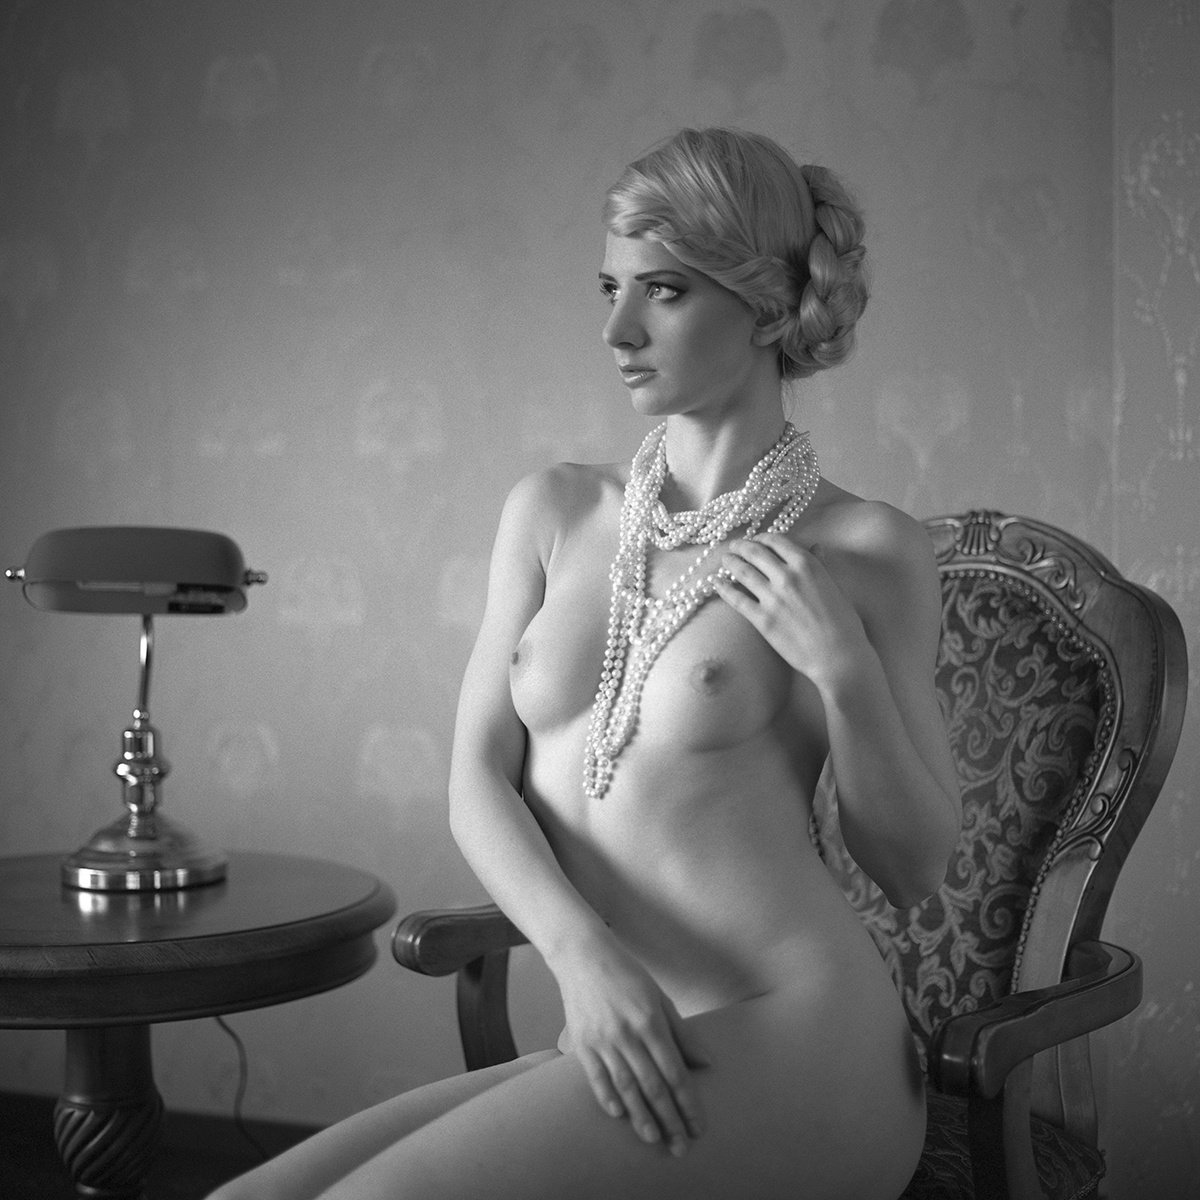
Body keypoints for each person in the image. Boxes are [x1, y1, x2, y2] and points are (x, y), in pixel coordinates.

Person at [208, 127, 961, 1200]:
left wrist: (844, 671)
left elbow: (916, 867)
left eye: (663, 291)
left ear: (763, 307)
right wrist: (582, 959)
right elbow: (475, 779)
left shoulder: (866, 549)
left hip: (798, 1038)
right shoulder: (554, 510)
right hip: (620, 1027)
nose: (617, 330)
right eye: (610, 288)